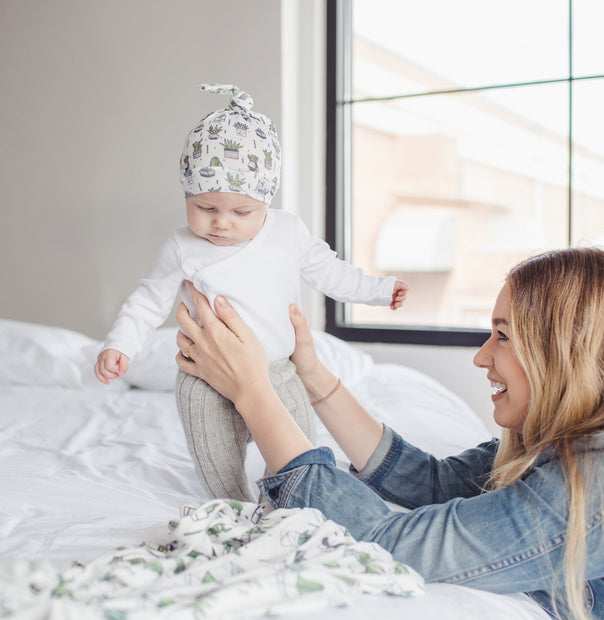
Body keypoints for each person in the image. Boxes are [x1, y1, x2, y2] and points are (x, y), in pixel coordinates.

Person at [174, 246, 604, 620]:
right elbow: (433, 481)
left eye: (503, 336)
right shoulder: (563, 445)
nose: (481, 356)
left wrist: (253, 393)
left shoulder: (587, 484)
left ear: (564, 353)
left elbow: (384, 544)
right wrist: (313, 375)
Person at [94, 83, 408, 502]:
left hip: (278, 370)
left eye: (241, 211)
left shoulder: (287, 232)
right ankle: (238, 512)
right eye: (205, 208)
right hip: (204, 380)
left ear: (266, 200)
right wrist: (120, 345)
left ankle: (287, 507)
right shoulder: (182, 246)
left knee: (301, 456)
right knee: (219, 469)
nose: (221, 223)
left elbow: (331, 273)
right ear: (187, 193)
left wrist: (380, 291)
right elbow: (148, 300)